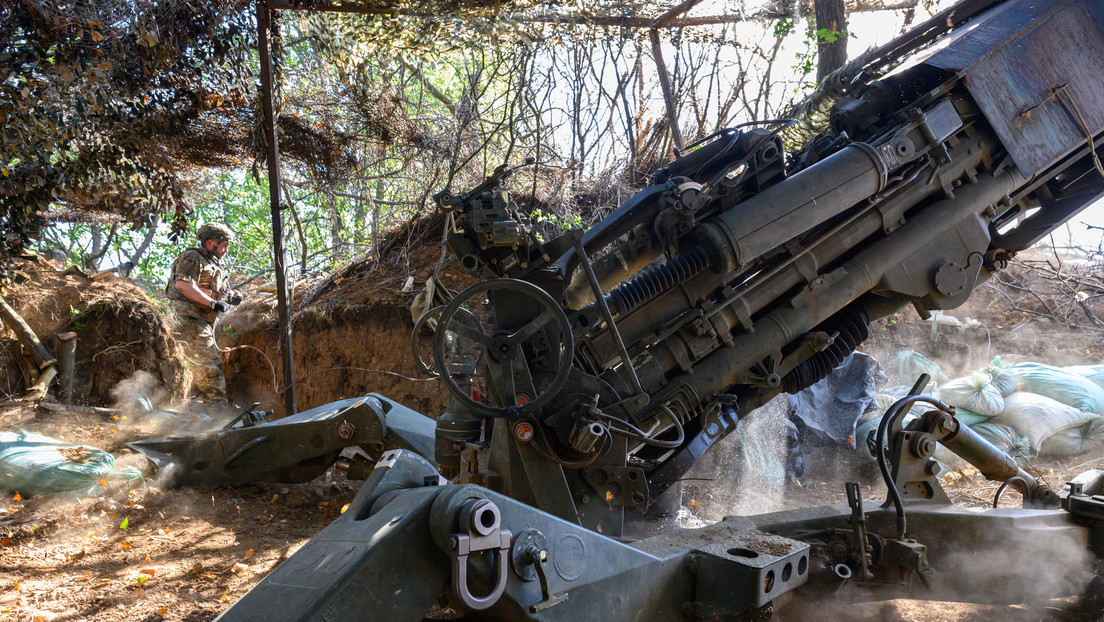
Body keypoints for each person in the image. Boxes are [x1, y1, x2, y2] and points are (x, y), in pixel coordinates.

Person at [165, 223, 242, 404]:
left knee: (200, 369)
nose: (225, 251)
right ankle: (216, 413)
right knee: (210, 369)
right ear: (209, 243)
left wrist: (231, 297)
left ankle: (197, 412)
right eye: (223, 246)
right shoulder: (192, 257)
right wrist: (213, 303)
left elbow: (210, 289)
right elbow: (183, 285)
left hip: (201, 323)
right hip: (189, 320)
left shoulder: (212, 264)